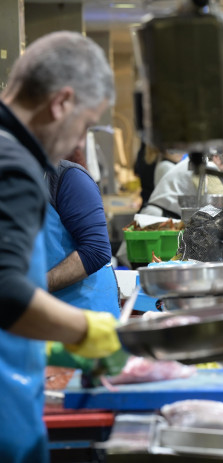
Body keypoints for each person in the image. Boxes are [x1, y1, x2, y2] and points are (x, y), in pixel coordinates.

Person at [0, 31, 123, 462]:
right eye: (85, 123)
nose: (78, 140)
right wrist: (88, 331)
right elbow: (6, 292)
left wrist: (48, 343)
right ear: (61, 103)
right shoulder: (14, 165)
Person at [44, 152, 121, 319]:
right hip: (32, 319)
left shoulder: (67, 178)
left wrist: (31, 287)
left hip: (86, 315)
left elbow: (95, 250)